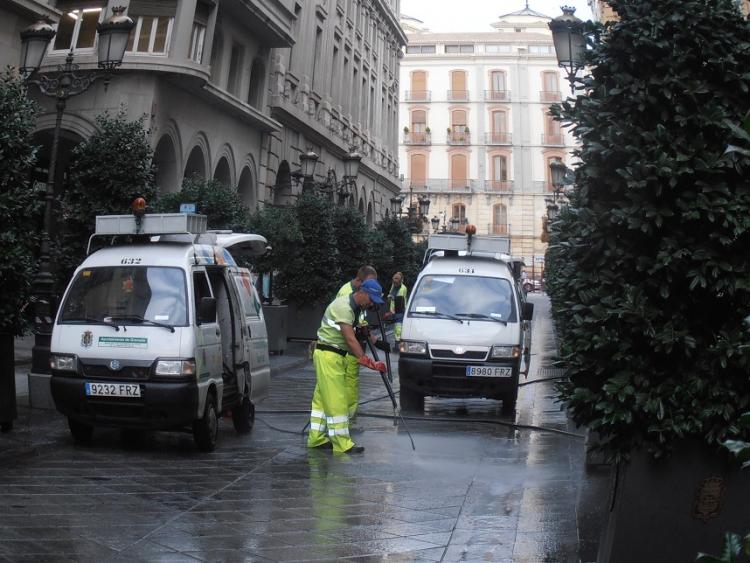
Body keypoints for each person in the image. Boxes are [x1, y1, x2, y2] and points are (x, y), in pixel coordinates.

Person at [308, 279, 386, 454]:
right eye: (371, 299)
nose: (372, 304)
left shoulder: (355, 308)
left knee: (321, 400)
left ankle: (316, 438)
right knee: (337, 400)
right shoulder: (344, 307)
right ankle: (342, 443)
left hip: (332, 354)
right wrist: (365, 360)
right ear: (363, 292)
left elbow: (352, 333)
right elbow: (350, 338)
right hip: (329, 355)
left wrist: (362, 332)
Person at [336, 265, 378, 418]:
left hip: (353, 343)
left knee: (352, 381)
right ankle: (346, 415)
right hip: (345, 345)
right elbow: (345, 325)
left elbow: (359, 319)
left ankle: (350, 414)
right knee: (347, 382)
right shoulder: (347, 293)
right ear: (359, 280)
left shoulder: (358, 293)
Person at [387, 272, 408, 343]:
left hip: (399, 311)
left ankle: (398, 342)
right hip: (395, 310)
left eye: (396, 279)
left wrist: (391, 298)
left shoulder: (403, 288)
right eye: (394, 279)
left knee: (398, 327)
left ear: (401, 280)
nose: (394, 282)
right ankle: (397, 341)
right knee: (396, 327)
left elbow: (399, 301)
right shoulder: (394, 286)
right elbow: (390, 295)